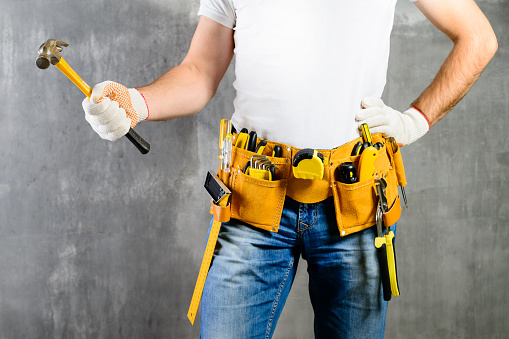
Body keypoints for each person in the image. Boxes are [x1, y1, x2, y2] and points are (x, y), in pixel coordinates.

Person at [82, 0, 497, 337]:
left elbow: (477, 38)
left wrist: (414, 121)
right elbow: (199, 72)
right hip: (252, 199)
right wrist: (136, 101)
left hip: (352, 202)